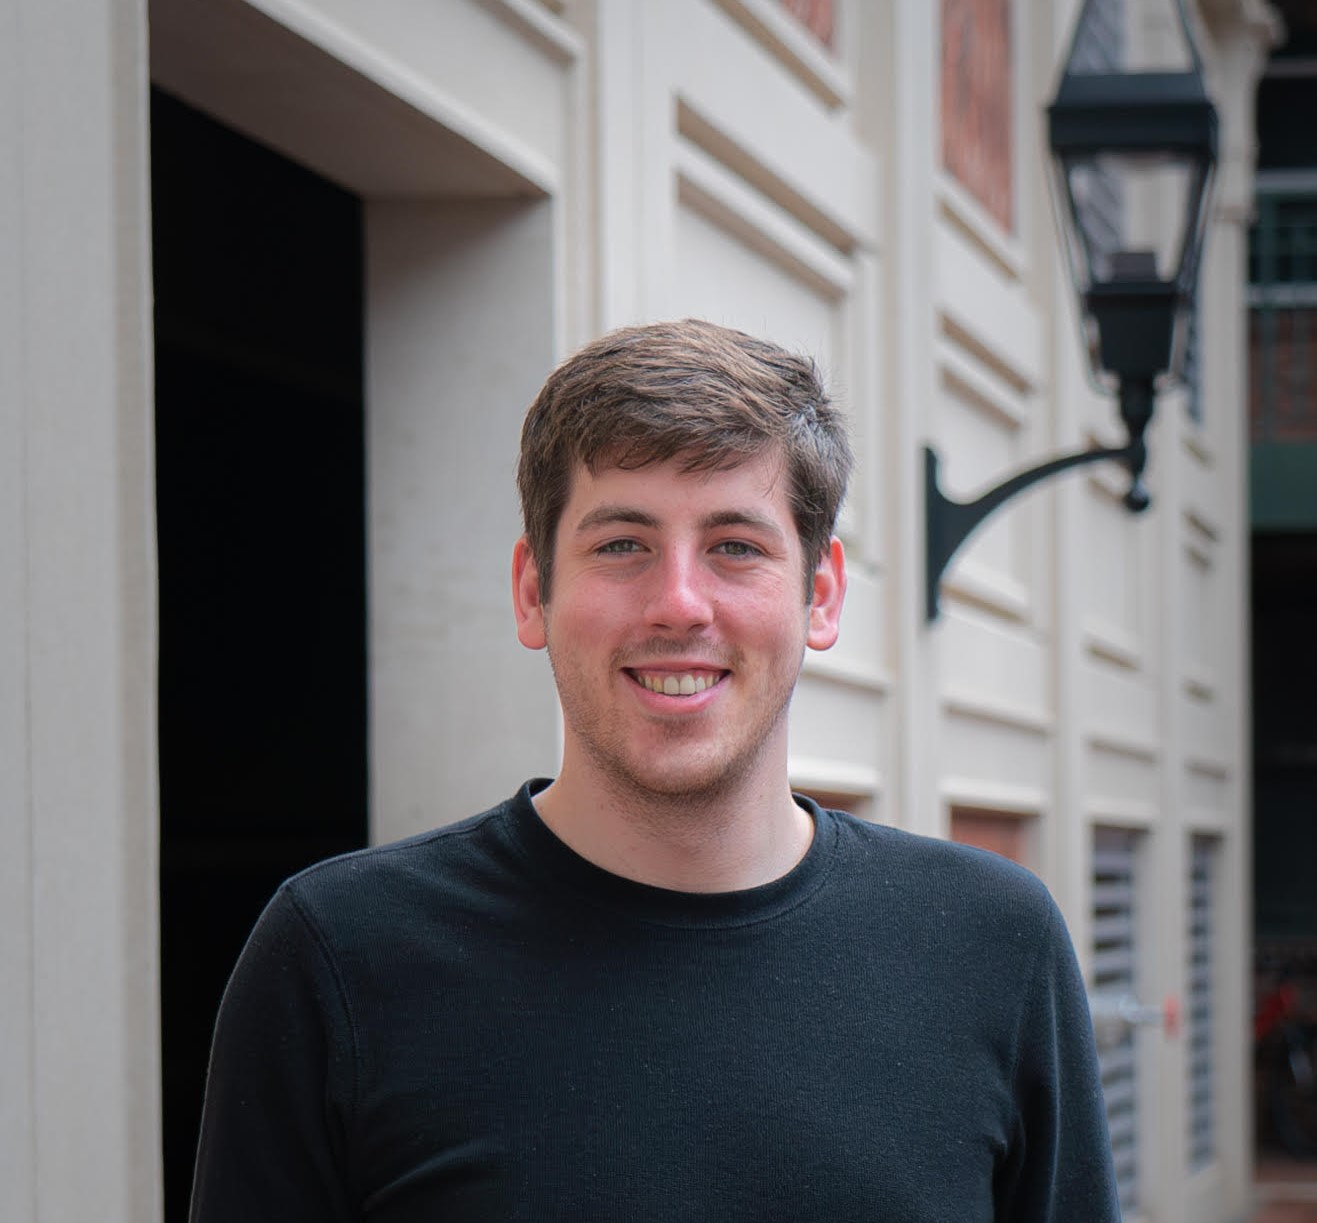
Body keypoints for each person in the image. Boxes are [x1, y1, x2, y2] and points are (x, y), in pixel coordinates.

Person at [189, 319, 1120, 1221]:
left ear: (821, 594)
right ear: (532, 591)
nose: (679, 603)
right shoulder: (337, 958)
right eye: (621, 544)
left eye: (735, 546)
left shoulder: (994, 945)